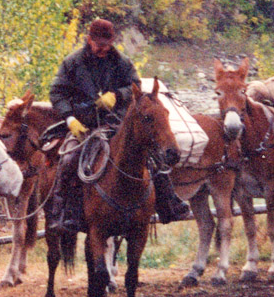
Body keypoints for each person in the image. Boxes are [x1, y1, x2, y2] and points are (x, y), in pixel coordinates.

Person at [46, 18, 189, 232]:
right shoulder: (72, 63)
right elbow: (57, 93)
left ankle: (169, 203)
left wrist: (117, 95)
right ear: (89, 40)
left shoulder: (122, 62)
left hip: (118, 123)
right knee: (68, 160)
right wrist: (70, 119)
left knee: (151, 154)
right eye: (99, 44)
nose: (104, 49)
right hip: (83, 124)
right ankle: (64, 214)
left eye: (107, 44)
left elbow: (136, 86)